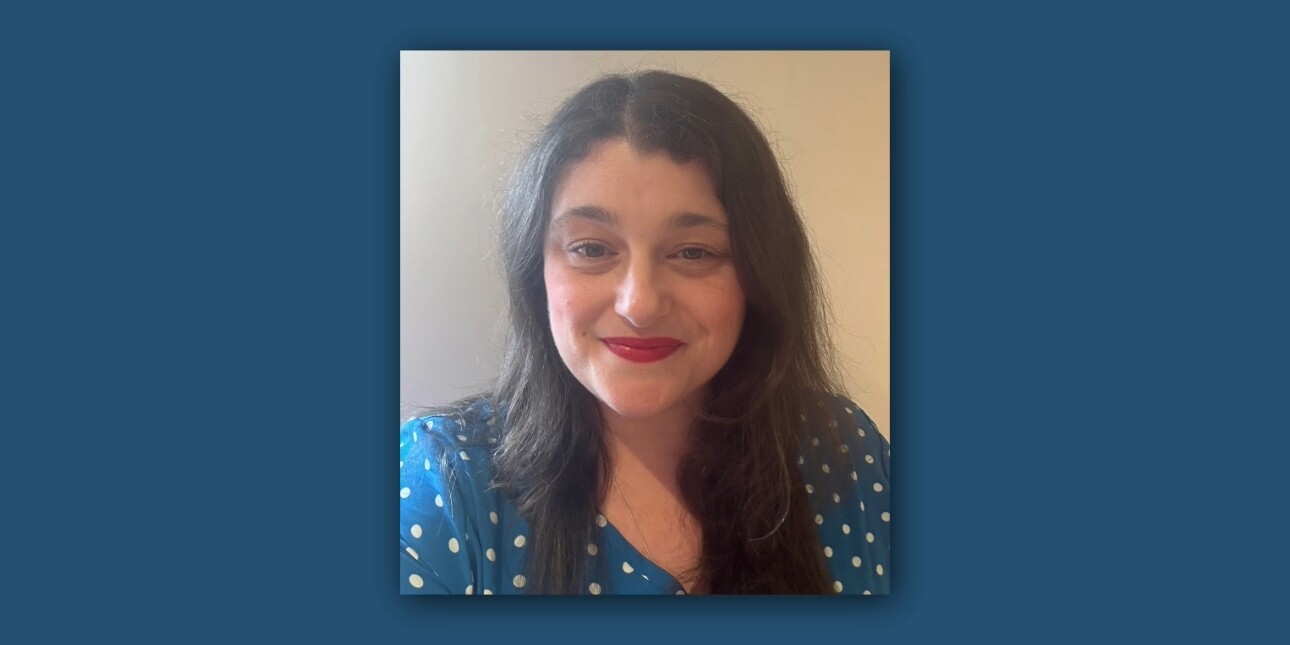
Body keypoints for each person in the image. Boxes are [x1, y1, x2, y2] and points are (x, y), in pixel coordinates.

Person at [399, 70, 890, 595]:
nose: (639, 305)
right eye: (591, 248)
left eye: (694, 252)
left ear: (759, 275)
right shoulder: (445, 485)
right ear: (534, 271)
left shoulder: (846, 453)